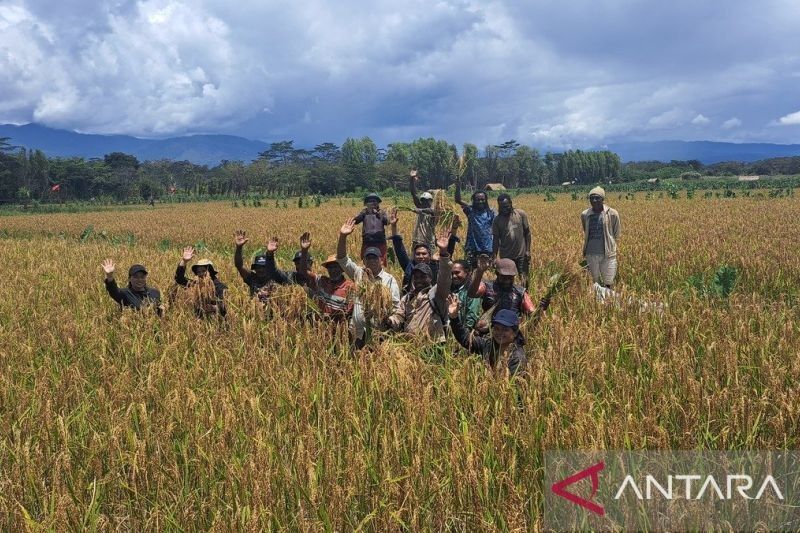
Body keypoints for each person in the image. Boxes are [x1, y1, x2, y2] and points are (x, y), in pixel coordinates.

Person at [337, 217, 401, 347]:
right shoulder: (359, 273)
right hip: (357, 333)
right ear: (364, 261)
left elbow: (395, 306)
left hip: (379, 335)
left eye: (374, 258)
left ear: (381, 261)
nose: (371, 261)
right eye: (368, 258)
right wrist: (343, 236)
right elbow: (342, 259)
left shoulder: (389, 280)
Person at [383, 230, 452, 342]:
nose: (419, 280)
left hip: (432, 346)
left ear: (430, 278)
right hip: (410, 346)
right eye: (417, 277)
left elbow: (445, 278)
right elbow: (399, 317)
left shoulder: (436, 294)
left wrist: (443, 252)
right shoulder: (407, 298)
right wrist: (390, 321)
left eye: (423, 277)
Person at [389, 207, 460, 295]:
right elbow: (400, 250)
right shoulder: (409, 267)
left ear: (430, 256)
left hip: (430, 304)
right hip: (412, 304)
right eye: (418, 254)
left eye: (424, 254)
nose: (421, 256)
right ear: (414, 256)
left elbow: (448, 252)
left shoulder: (436, 266)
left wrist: (454, 229)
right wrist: (393, 226)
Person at [467, 257, 536, 319]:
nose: (507, 280)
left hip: (510, 330)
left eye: (510, 277)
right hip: (489, 327)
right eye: (504, 277)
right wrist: (479, 272)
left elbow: (532, 313)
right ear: (497, 273)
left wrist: (541, 308)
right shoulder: (487, 286)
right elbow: (472, 294)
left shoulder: (520, 292)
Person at [581, 186, 621, 288]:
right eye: (592, 198)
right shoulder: (585, 214)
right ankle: (597, 303)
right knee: (595, 283)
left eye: (597, 198)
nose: (594, 200)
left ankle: (608, 302)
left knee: (609, 282)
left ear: (603, 199)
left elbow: (616, 233)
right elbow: (586, 231)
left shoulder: (612, 213)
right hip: (591, 253)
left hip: (608, 253)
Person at [174, 246, 227, 318]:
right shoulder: (196, 285)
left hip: (216, 323)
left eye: (203, 271)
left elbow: (225, 306)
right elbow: (179, 279)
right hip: (199, 323)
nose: (200, 274)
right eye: (198, 271)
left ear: (210, 272)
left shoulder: (220, 287)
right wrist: (184, 261)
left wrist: (213, 308)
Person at [492, 193, 531, 287]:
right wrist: (494, 257)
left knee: (524, 279)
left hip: (521, 255)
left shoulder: (520, 214)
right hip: (506, 256)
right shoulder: (497, 220)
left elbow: (527, 233)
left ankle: (524, 298)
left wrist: (528, 250)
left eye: (506, 206)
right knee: (506, 280)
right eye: (502, 207)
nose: (504, 209)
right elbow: (496, 240)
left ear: (511, 203)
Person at [455, 179, 495, 267]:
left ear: (486, 200)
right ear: (474, 200)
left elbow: (496, 230)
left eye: (482, 199)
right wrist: (458, 186)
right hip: (472, 248)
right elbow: (458, 200)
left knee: (487, 274)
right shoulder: (470, 211)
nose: (480, 201)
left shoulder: (491, 213)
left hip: (487, 248)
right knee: (469, 273)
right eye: (478, 199)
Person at [305, 254, 355, 322]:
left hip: (339, 328)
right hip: (320, 327)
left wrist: (330, 317)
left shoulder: (349, 287)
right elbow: (304, 272)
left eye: (335, 267)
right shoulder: (322, 281)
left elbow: (348, 312)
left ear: (342, 269)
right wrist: (304, 250)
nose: (333, 270)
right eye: (330, 267)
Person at [233, 229, 278, 303]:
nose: (260, 270)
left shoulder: (275, 279)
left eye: (263, 267)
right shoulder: (252, 278)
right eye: (258, 267)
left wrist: (270, 253)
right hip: (254, 311)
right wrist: (239, 248)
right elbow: (239, 266)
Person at [353, 193, 390, 265]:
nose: (373, 203)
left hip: (380, 240)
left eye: (374, 201)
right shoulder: (364, 212)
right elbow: (356, 221)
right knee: (365, 260)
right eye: (370, 201)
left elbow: (386, 222)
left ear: (378, 203)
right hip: (367, 241)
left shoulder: (382, 212)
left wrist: (377, 214)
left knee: (382, 260)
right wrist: (362, 214)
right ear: (366, 204)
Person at [450, 259, 482, 332]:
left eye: (457, 273)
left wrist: (465, 332)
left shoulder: (472, 290)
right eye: (452, 273)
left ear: (467, 272)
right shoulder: (452, 288)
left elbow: (472, 315)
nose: (454, 276)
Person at [409, 169, 437, 250]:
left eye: (426, 200)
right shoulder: (420, 207)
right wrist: (412, 179)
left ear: (431, 201)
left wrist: (420, 211)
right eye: (423, 200)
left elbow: (431, 211)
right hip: (417, 240)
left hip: (429, 241)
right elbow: (414, 193)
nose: (424, 202)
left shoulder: (433, 211)